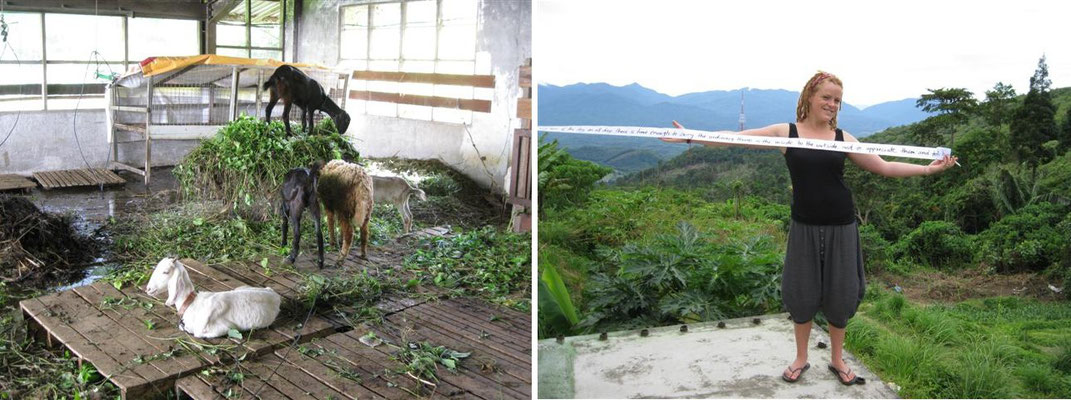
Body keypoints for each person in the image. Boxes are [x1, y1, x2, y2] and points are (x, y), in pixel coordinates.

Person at [661, 71, 957, 385]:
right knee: (801, 292)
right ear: (809, 98)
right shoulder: (787, 133)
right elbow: (735, 139)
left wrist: (927, 169)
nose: (832, 105)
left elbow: (883, 166)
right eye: (826, 98)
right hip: (804, 226)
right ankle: (801, 358)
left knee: (840, 293)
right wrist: (692, 137)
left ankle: (837, 359)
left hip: (841, 227)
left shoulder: (844, 139)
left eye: (837, 101)